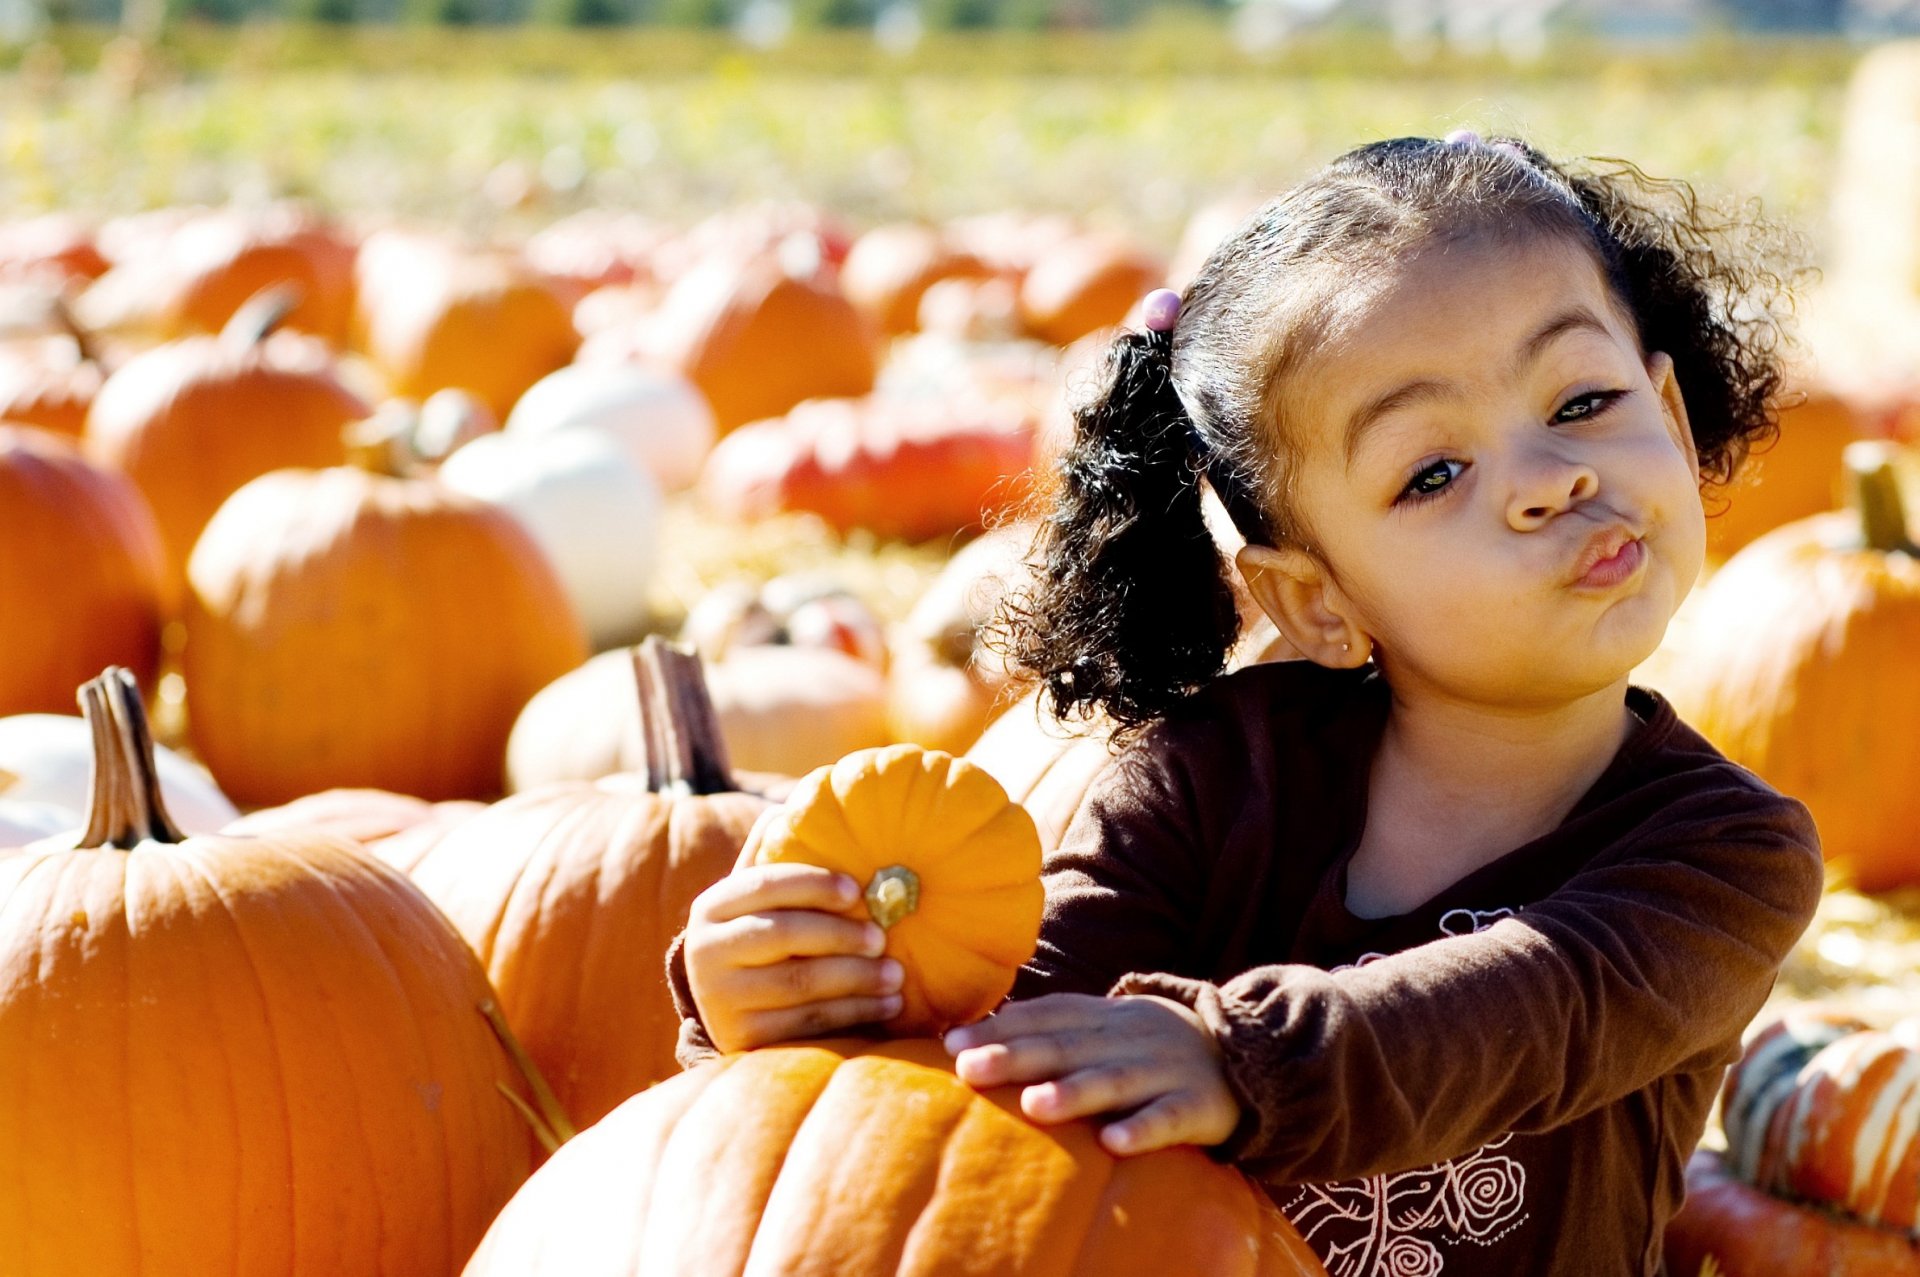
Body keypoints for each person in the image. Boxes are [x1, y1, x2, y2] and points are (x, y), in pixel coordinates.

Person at [666, 133, 1826, 1276]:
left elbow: (1535, 1005)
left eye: (1580, 399)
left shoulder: (1728, 856)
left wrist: (1236, 1058)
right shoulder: (1203, 778)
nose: (1549, 478)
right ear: (1315, 599)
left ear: (1670, 418)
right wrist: (788, 1013)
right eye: (1434, 471)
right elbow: (994, 1047)